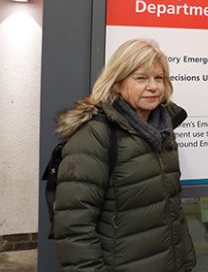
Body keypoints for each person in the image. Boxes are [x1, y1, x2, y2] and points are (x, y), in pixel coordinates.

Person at [52, 38, 196, 272]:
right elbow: (74, 227)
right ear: (117, 83)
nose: (153, 86)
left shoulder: (163, 128)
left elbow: (171, 209)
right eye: (141, 78)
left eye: (158, 78)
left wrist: (185, 261)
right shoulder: (96, 134)